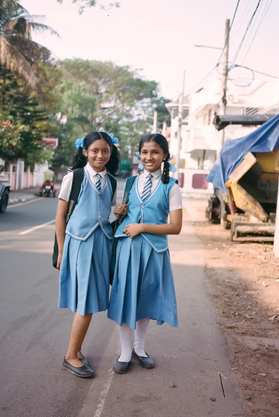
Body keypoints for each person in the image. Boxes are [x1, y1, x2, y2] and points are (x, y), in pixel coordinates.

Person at [108, 133, 182, 374]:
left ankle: (140, 349)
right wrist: (119, 212)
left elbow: (176, 227)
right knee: (125, 298)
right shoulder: (130, 182)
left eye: (155, 152)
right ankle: (125, 352)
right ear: (139, 155)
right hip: (128, 249)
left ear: (165, 155)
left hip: (154, 251)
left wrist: (143, 227)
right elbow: (126, 214)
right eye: (145, 152)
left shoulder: (171, 186)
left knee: (145, 299)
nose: (149, 157)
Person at [55, 131, 120, 378]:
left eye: (105, 150)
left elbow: (108, 214)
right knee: (86, 301)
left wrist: (119, 212)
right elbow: (60, 216)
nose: (100, 155)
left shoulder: (111, 181)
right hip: (79, 244)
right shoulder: (74, 177)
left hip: (102, 244)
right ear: (85, 152)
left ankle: (77, 350)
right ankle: (71, 356)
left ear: (111, 152)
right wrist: (62, 250)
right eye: (94, 150)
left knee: (89, 299)